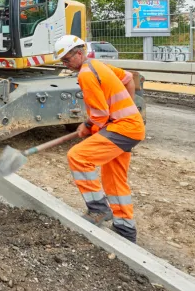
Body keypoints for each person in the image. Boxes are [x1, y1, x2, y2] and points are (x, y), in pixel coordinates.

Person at [52, 35, 145, 243]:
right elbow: (129, 79)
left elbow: (100, 114)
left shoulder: (86, 73)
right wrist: (126, 111)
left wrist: (86, 126)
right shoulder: (98, 65)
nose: (66, 65)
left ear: (79, 53)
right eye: (62, 62)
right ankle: (125, 230)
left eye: (67, 60)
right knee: (114, 177)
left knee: (77, 156)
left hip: (122, 128)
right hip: (129, 126)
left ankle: (98, 209)